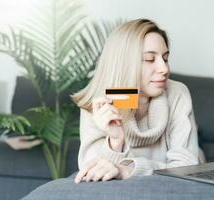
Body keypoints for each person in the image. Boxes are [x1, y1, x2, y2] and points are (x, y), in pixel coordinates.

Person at [72, 18, 205, 184]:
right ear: (123, 64)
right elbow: (92, 172)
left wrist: (128, 170)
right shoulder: (97, 103)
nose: (164, 69)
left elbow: (186, 168)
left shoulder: (177, 92)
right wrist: (115, 142)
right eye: (150, 59)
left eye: (165, 58)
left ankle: (197, 136)